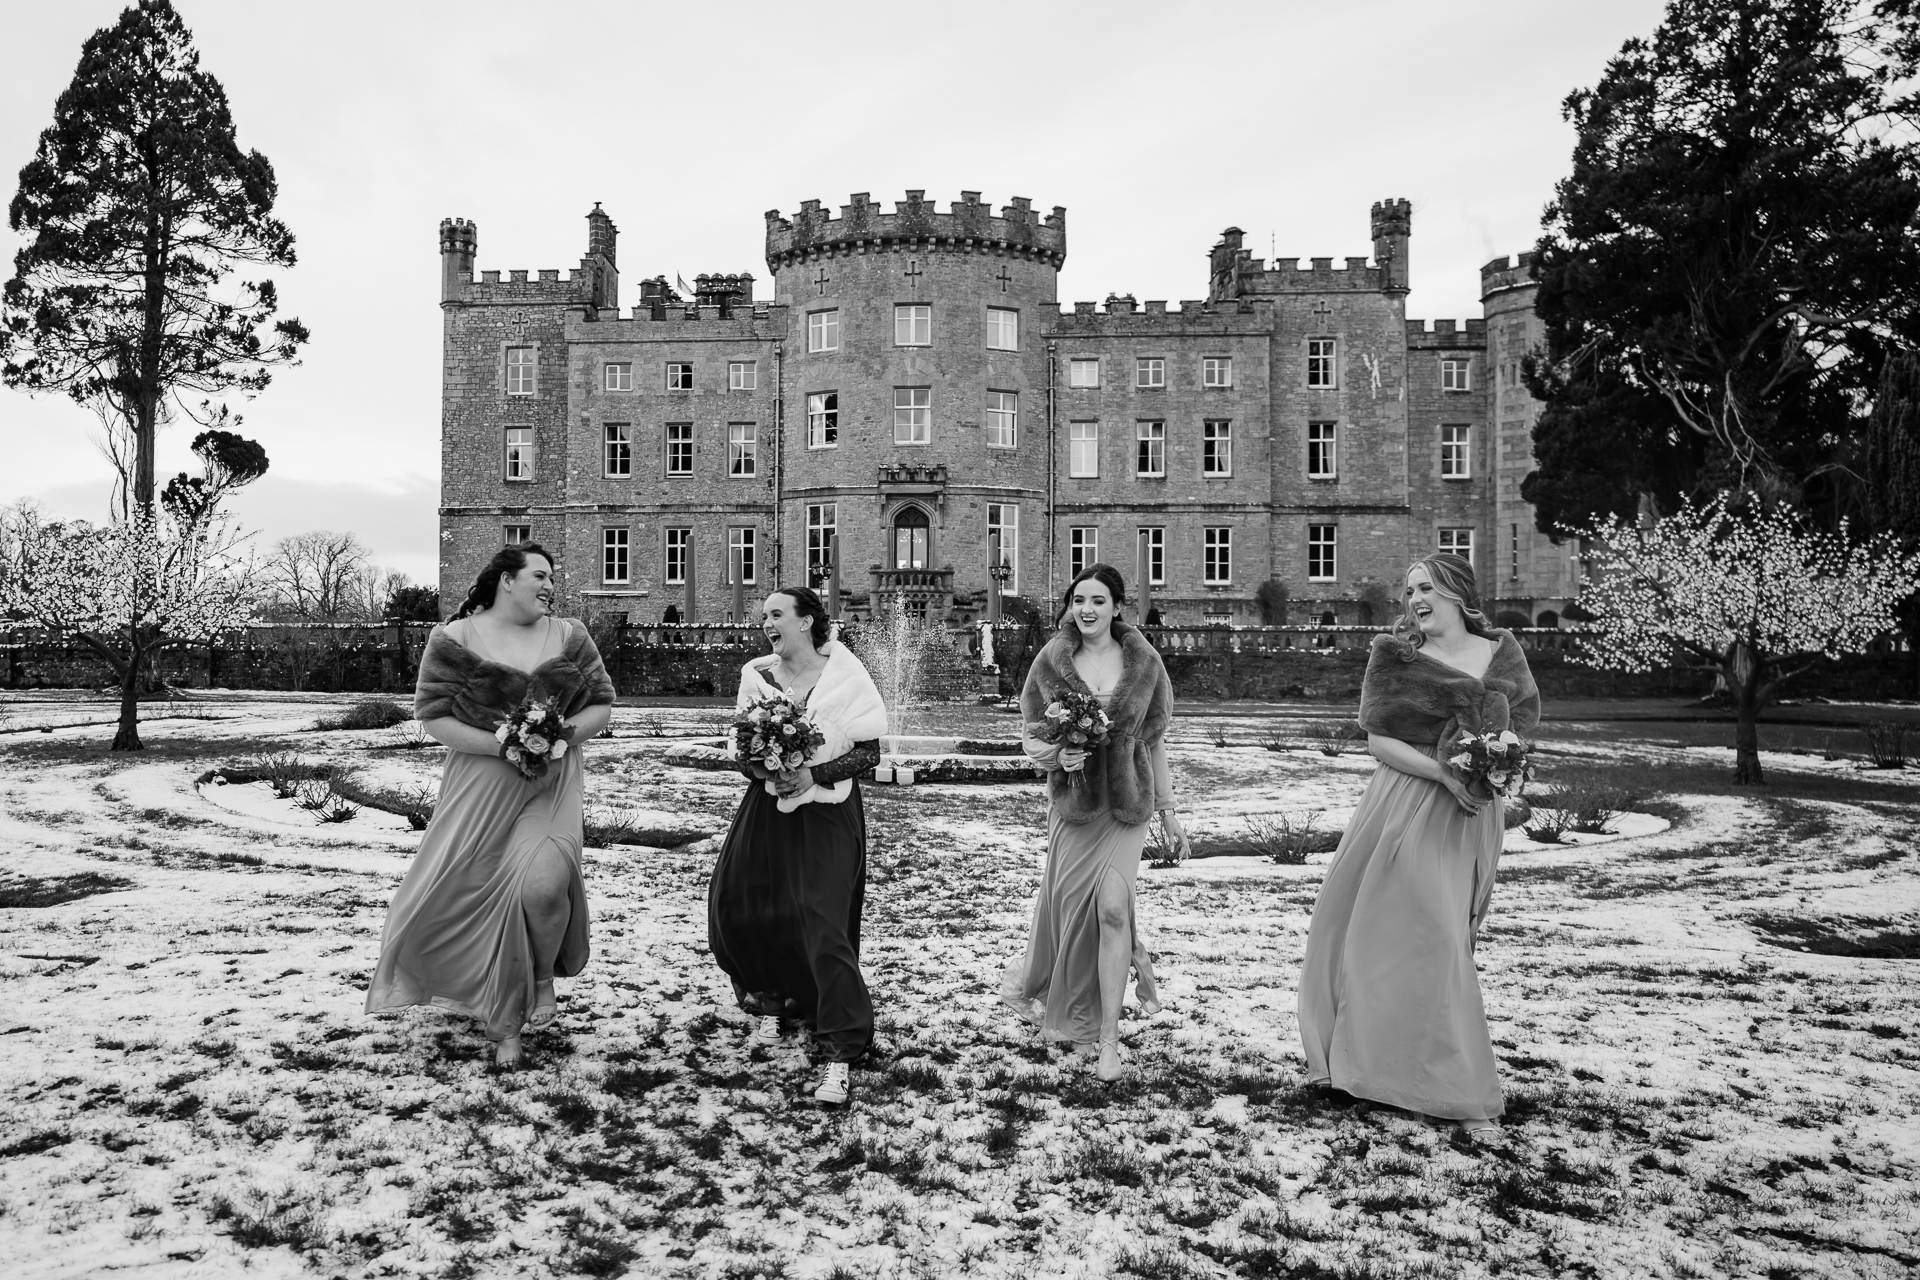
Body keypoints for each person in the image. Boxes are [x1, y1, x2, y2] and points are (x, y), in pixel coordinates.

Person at [1296, 553, 1540, 1138]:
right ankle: (1438, 1081)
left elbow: (1522, 734)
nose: (1416, 600)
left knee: (1444, 938)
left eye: (1427, 587)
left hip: (1472, 817)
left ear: (1458, 592)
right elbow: (1378, 740)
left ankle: (1408, 1071)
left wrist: (1505, 774)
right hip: (1405, 804)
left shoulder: (1502, 655)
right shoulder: (1395, 657)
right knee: (1394, 933)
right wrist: (1444, 772)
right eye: (1409, 592)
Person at [365, 544, 616, 1069]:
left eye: (553, 576)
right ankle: (505, 1025)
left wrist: (562, 739)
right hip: (481, 786)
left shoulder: (570, 636)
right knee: (478, 893)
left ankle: (542, 976)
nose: (550, 586)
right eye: (540, 575)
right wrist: (504, 743)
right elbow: (433, 716)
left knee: (543, 887)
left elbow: (600, 703)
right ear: (506, 579)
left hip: (551, 784)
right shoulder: (453, 639)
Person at [1002, 564, 1190, 1082]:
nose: (1086, 609)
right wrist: (1055, 755)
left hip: (1128, 805)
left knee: (1112, 910)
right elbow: (1030, 735)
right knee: (1071, 916)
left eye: (1098, 601)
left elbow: (1155, 741)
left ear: (1116, 608)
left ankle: (1109, 1041)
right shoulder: (1052, 661)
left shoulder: (1145, 663)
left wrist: (1170, 812)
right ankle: (1080, 1010)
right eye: (1078, 600)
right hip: (1076, 807)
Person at [708, 586, 887, 1107]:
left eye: (777, 613)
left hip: (829, 816)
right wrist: (768, 769)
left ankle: (842, 1047)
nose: (767, 622)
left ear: (808, 621)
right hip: (767, 811)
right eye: (764, 615)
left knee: (823, 921)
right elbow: (741, 747)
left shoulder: (846, 675)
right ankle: (774, 1002)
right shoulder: (755, 676)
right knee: (748, 908)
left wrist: (812, 774)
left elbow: (870, 751)